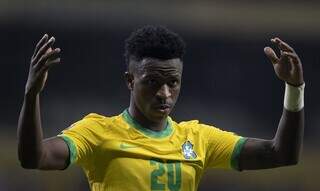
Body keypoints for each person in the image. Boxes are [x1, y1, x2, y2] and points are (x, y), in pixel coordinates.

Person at [18, 26, 305, 191]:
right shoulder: (97, 132)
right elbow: (35, 158)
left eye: (173, 82)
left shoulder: (198, 139)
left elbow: (282, 154)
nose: (164, 94)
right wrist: (32, 95)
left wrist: (294, 89)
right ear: (130, 81)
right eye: (152, 82)